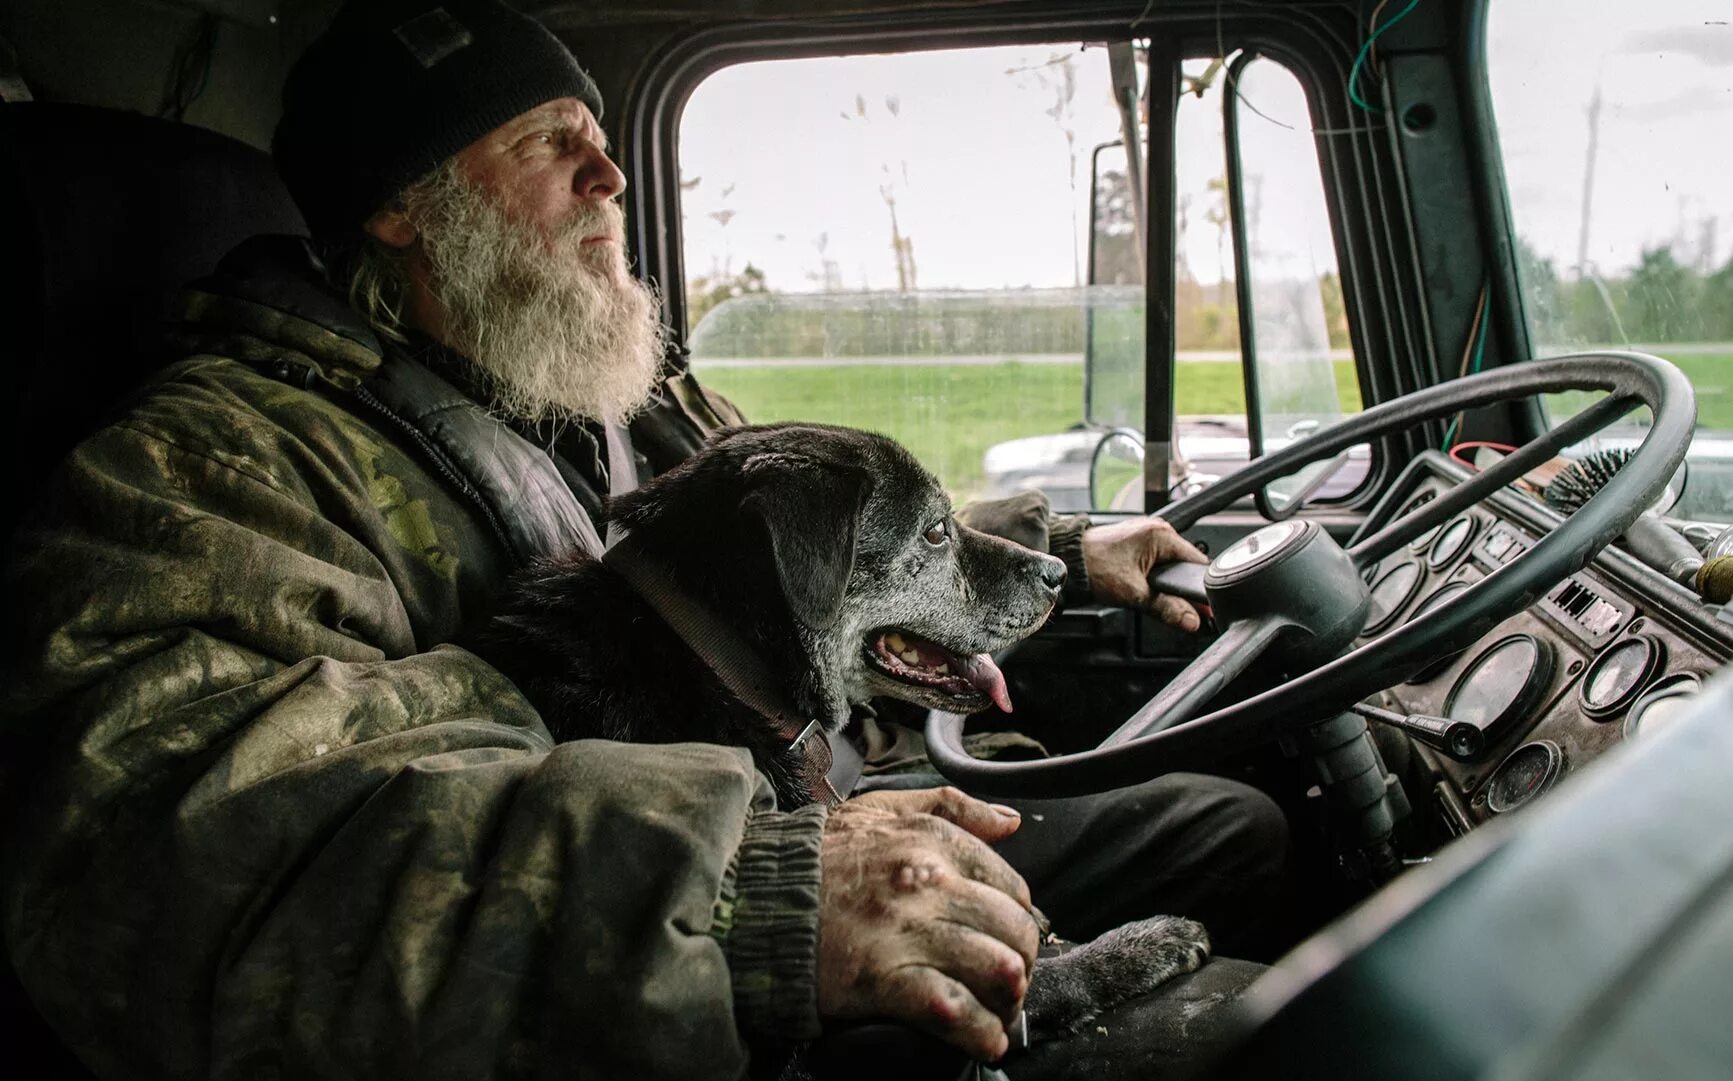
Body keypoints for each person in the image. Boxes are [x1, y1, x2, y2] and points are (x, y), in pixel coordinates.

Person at [0, 1, 1285, 1077]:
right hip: (672, 915)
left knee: (1232, 826)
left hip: (818, 792)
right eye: (552, 141)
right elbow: (181, 861)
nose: (608, 176)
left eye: (605, 140)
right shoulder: (219, 467)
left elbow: (840, 538)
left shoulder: (617, 396)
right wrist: (749, 890)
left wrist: (1055, 537)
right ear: (404, 205)